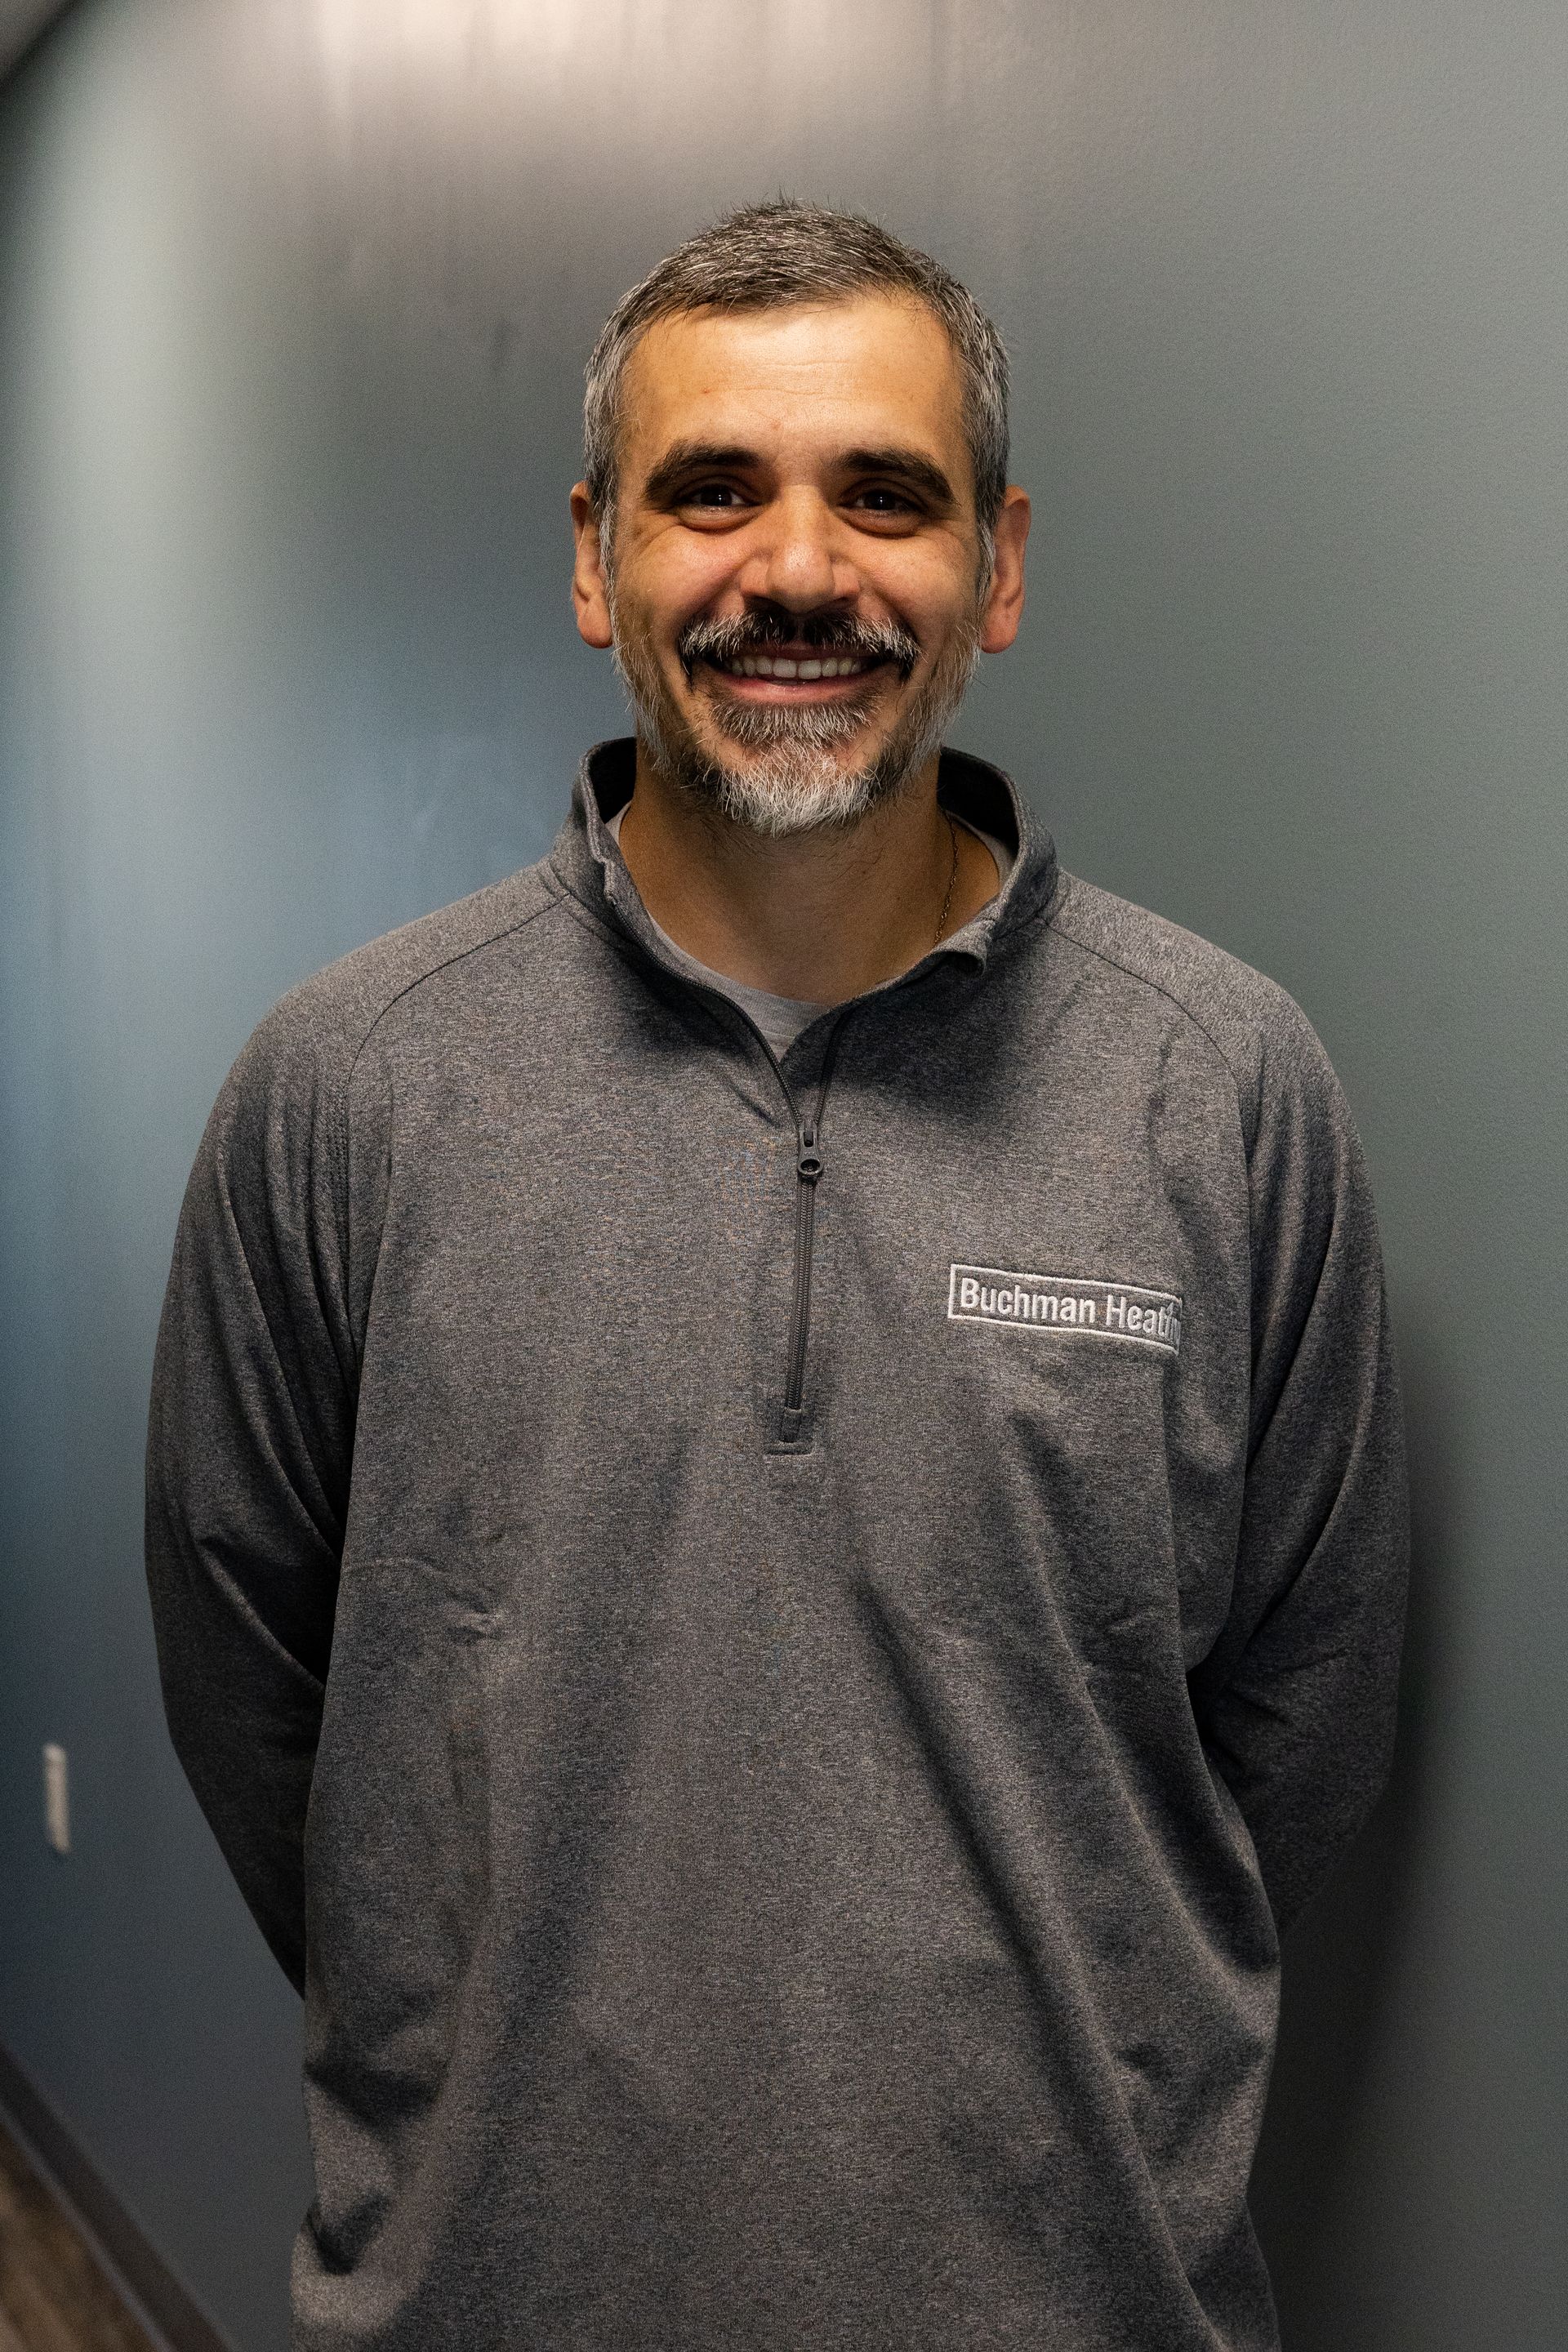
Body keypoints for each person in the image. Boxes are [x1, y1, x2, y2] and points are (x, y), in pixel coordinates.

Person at [146, 202, 1409, 2351]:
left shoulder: (1225, 1094)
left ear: (996, 569)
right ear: (590, 559)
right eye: (710, 488)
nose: (800, 569)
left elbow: (1297, 1738)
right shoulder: (347, 1095)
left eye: (885, 496)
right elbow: (261, 1698)